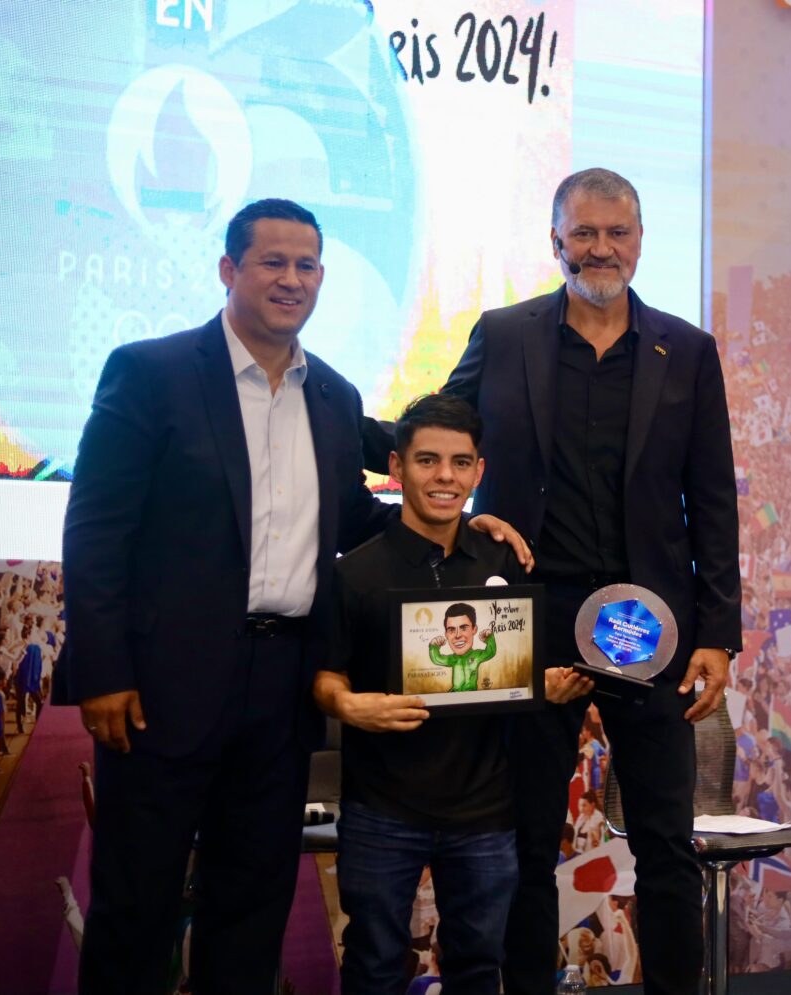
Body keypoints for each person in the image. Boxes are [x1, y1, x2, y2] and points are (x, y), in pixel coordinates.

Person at [54, 198, 529, 995]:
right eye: (272, 261)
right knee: (137, 904)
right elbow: (97, 528)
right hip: (162, 689)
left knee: (252, 905)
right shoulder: (152, 373)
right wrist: (103, 671)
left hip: (281, 690)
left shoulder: (332, 396)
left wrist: (463, 527)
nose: (291, 279)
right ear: (228, 269)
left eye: (306, 265)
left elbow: (352, 517)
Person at [365, 168, 741, 994]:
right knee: (524, 840)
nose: (600, 248)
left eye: (617, 233)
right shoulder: (504, 334)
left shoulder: (688, 350)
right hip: (527, 619)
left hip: (650, 623)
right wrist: (334, 430)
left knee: (665, 842)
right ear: (556, 240)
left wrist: (719, 632)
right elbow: (433, 429)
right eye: (584, 233)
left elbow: (713, 497)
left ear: (639, 242)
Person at [314, 393, 589, 995]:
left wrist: (546, 686)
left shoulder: (505, 558)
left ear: (479, 471)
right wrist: (346, 704)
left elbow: (519, 669)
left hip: (484, 811)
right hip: (381, 809)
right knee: (373, 966)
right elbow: (326, 677)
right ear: (396, 466)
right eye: (428, 460)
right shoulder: (353, 573)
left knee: (479, 965)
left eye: (460, 463)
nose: (445, 477)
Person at [428, 603, 496, 692]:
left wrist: (489, 639)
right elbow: (437, 659)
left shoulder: (477, 656)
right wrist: (434, 647)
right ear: (446, 634)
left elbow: (490, 652)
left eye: (463, 628)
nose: (457, 635)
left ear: (474, 629)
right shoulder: (452, 659)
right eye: (451, 630)